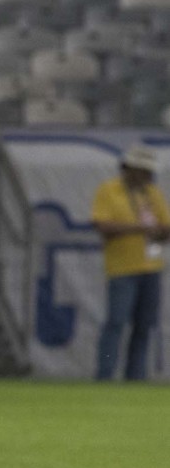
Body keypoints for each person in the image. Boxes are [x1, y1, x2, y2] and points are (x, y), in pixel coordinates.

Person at [92, 145, 170, 381]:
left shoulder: (151, 193)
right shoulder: (109, 191)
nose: (148, 176)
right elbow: (103, 226)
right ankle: (104, 375)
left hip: (151, 267)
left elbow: (166, 227)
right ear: (130, 169)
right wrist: (140, 228)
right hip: (122, 268)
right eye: (144, 171)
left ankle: (135, 378)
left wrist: (159, 232)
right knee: (116, 323)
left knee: (144, 326)